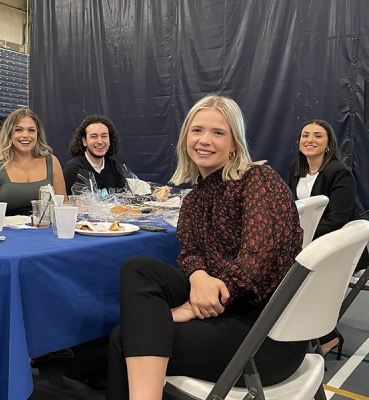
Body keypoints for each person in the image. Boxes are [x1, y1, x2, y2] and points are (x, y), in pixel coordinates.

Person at [106, 95, 308, 400]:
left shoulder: (258, 180)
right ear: (186, 137)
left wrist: (194, 305)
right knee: (137, 268)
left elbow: (258, 262)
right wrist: (198, 276)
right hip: (232, 313)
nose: (205, 140)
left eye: (218, 132)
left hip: (269, 334)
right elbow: (189, 252)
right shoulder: (194, 200)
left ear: (235, 143)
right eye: (197, 130)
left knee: (125, 339)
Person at [288, 119, 369, 357]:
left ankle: (329, 336)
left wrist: (300, 239)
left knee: (301, 280)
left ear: (328, 144)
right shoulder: (296, 168)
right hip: (307, 243)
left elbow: (338, 220)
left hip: (337, 246)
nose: (309, 140)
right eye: (305, 135)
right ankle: (306, 331)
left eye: (317, 136)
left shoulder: (339, 173)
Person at [0, 108, 67, 216]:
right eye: (18, 130)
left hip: (44, 228)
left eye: (31, 130)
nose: (25, 135)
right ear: (9, 134)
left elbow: (63, 203)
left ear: (38, 134)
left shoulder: (51, 161)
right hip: (5, 230)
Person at [63, 114, 126, 195]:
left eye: (104, 136)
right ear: (84, 141)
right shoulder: (73, 169)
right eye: (94, 136)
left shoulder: (114, 167)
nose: (100, 141)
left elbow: (124, 198)